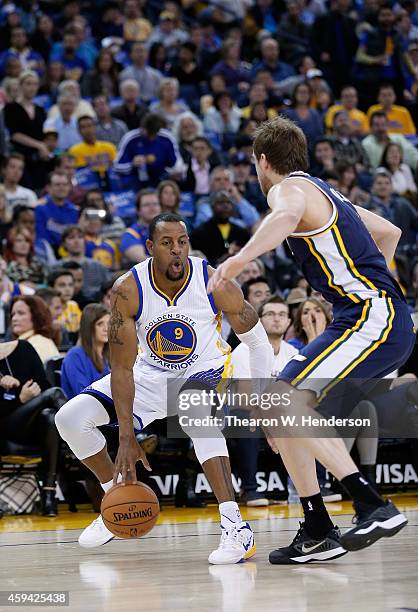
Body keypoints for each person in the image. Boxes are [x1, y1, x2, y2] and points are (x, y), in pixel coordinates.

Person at [209, 115, 413, 563]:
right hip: (369, 315)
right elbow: (390, 233)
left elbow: (282, 216)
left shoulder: (289, 190)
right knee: (279, 408)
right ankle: (317, 527)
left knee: (282, 401)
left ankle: (371, 504)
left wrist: (240, 259)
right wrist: (375, 283)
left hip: (369, 316)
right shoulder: (329, 193)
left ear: (263, 161)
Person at [55, 211, 274, 564]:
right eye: (168, 243)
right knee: (69, 418)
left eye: (183, 242)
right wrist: (127, 436)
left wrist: (264, 404)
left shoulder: (214, 281)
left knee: (193, 408)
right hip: (150, 376)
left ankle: (235, 526)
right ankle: (116, 497)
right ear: (150, 247)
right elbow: (122, 368)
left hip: (207, 370)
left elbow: (259, 342)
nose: (177, 251)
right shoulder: (128, 288)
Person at [0, 339, 65, 516]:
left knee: (49, 417)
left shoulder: (24, 348)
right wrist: (19, 398)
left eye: (20, 313)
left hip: (32, 425)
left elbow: (44, 385)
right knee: (55, 394)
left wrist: (28, 391)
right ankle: (78, 432)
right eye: (14, 314)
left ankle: (49, 493)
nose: (15, 318)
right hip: (6, 427)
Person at [113, 113, 185, 189]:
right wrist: (132, 164)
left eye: (154, 134)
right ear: (142, 127)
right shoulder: (130, 138)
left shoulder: (167, 138)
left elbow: (176, 164)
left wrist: (174, 172)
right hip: (135, 179)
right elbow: (116, 167)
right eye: (149, 133)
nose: (151, 138)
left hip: (161, 178)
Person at [61, 303, 110, 400]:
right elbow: (83, 396)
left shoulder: (110, 354)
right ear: (89, 327)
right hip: (83, 412)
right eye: (100, 324)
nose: (106, 328)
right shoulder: (75, 356)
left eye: (109, 323)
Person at [191, 191, 251, 266]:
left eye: (228, 203)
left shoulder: (242, 233)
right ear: (212, 207)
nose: (225, 206)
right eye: (220, 203)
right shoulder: (199, 233)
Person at [57, 225, 110, 301]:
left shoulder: (99, 266)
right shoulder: (56, 267)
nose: (76, 241)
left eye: (80, 237)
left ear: (84, 241)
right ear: (64, 243)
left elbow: (108, 290)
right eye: (71, 238)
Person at [35, 170, 79, 251]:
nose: (61, 188)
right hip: (48, 253)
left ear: (69, 187)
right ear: (48, 188)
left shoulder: (74, 210)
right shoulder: (40, 208)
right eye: (57, 185)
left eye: (65, 185)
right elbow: (42, 240)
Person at [10, 295, 60, 363]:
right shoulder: (30, 341)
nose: (14, 319)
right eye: (13, 314)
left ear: (37, 316)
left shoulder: (38, 343)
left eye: (21, 313)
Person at [120, 189, 161, 264]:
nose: (152, 208)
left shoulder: (169, 229)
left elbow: (187, 253)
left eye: (155, 204)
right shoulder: (131, 233)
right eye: (147, 205)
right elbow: (142, 259)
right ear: (138, 210)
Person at [47, 267, 82, 336]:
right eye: (62, 285)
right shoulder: (47, 307)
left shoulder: (73, 305)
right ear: (51, 287)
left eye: (70, 285)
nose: (68, 289)